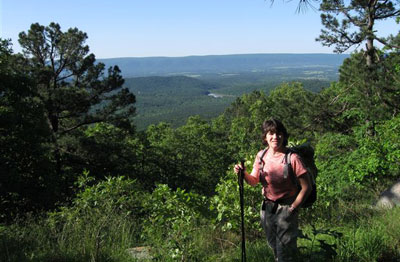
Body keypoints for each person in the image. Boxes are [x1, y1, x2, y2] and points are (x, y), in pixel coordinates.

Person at [234, 118, 311, 262]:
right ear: (265, 137)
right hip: (267, 209)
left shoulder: (292, 158)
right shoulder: (261, 156)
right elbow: (254, 181)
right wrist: (242, 174)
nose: (275, 137)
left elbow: (307, 187)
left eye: (279, 133)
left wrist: (293, 208)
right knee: (274, 248)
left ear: (284, 136)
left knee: (285, 254)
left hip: (286, 209)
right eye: (271, 133)